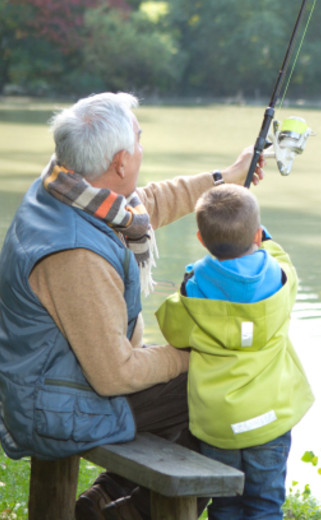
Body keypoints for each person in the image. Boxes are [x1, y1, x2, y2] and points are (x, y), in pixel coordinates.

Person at [0, 92, 266, 520]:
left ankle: (103, 499)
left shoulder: (62, 186)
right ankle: (129, 514)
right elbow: (115, 374)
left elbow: (148, 203)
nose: (143, 151)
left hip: (52, 380)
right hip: (53, 408)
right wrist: (191, 356)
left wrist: (226, 178)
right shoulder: (76, 255)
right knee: (235, 384)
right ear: (121, 162)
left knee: (200, 381)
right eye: (139, 142)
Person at [154, 184, 314, 519]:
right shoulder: (282, 280)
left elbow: (172, 329)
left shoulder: (193, 291)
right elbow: (280, 256)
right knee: (265, 504)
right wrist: (262, 236)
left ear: (201, 239)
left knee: (225, 503)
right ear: (257, 235)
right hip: (271, 418)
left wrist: (186, 285)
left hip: (219, 423)